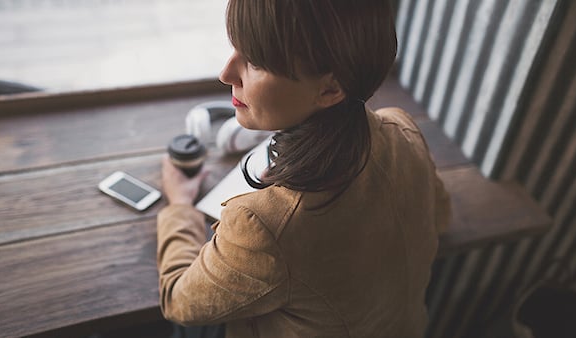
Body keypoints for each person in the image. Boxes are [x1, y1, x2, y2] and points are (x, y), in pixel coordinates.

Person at [156, 0, 451, 337]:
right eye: (235, 47)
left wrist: (179, 206)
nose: (226, 73)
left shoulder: (261, 226)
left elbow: (178, 301)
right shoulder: (403, 129)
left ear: (329, 89)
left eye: (254, 60)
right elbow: (440, 219)